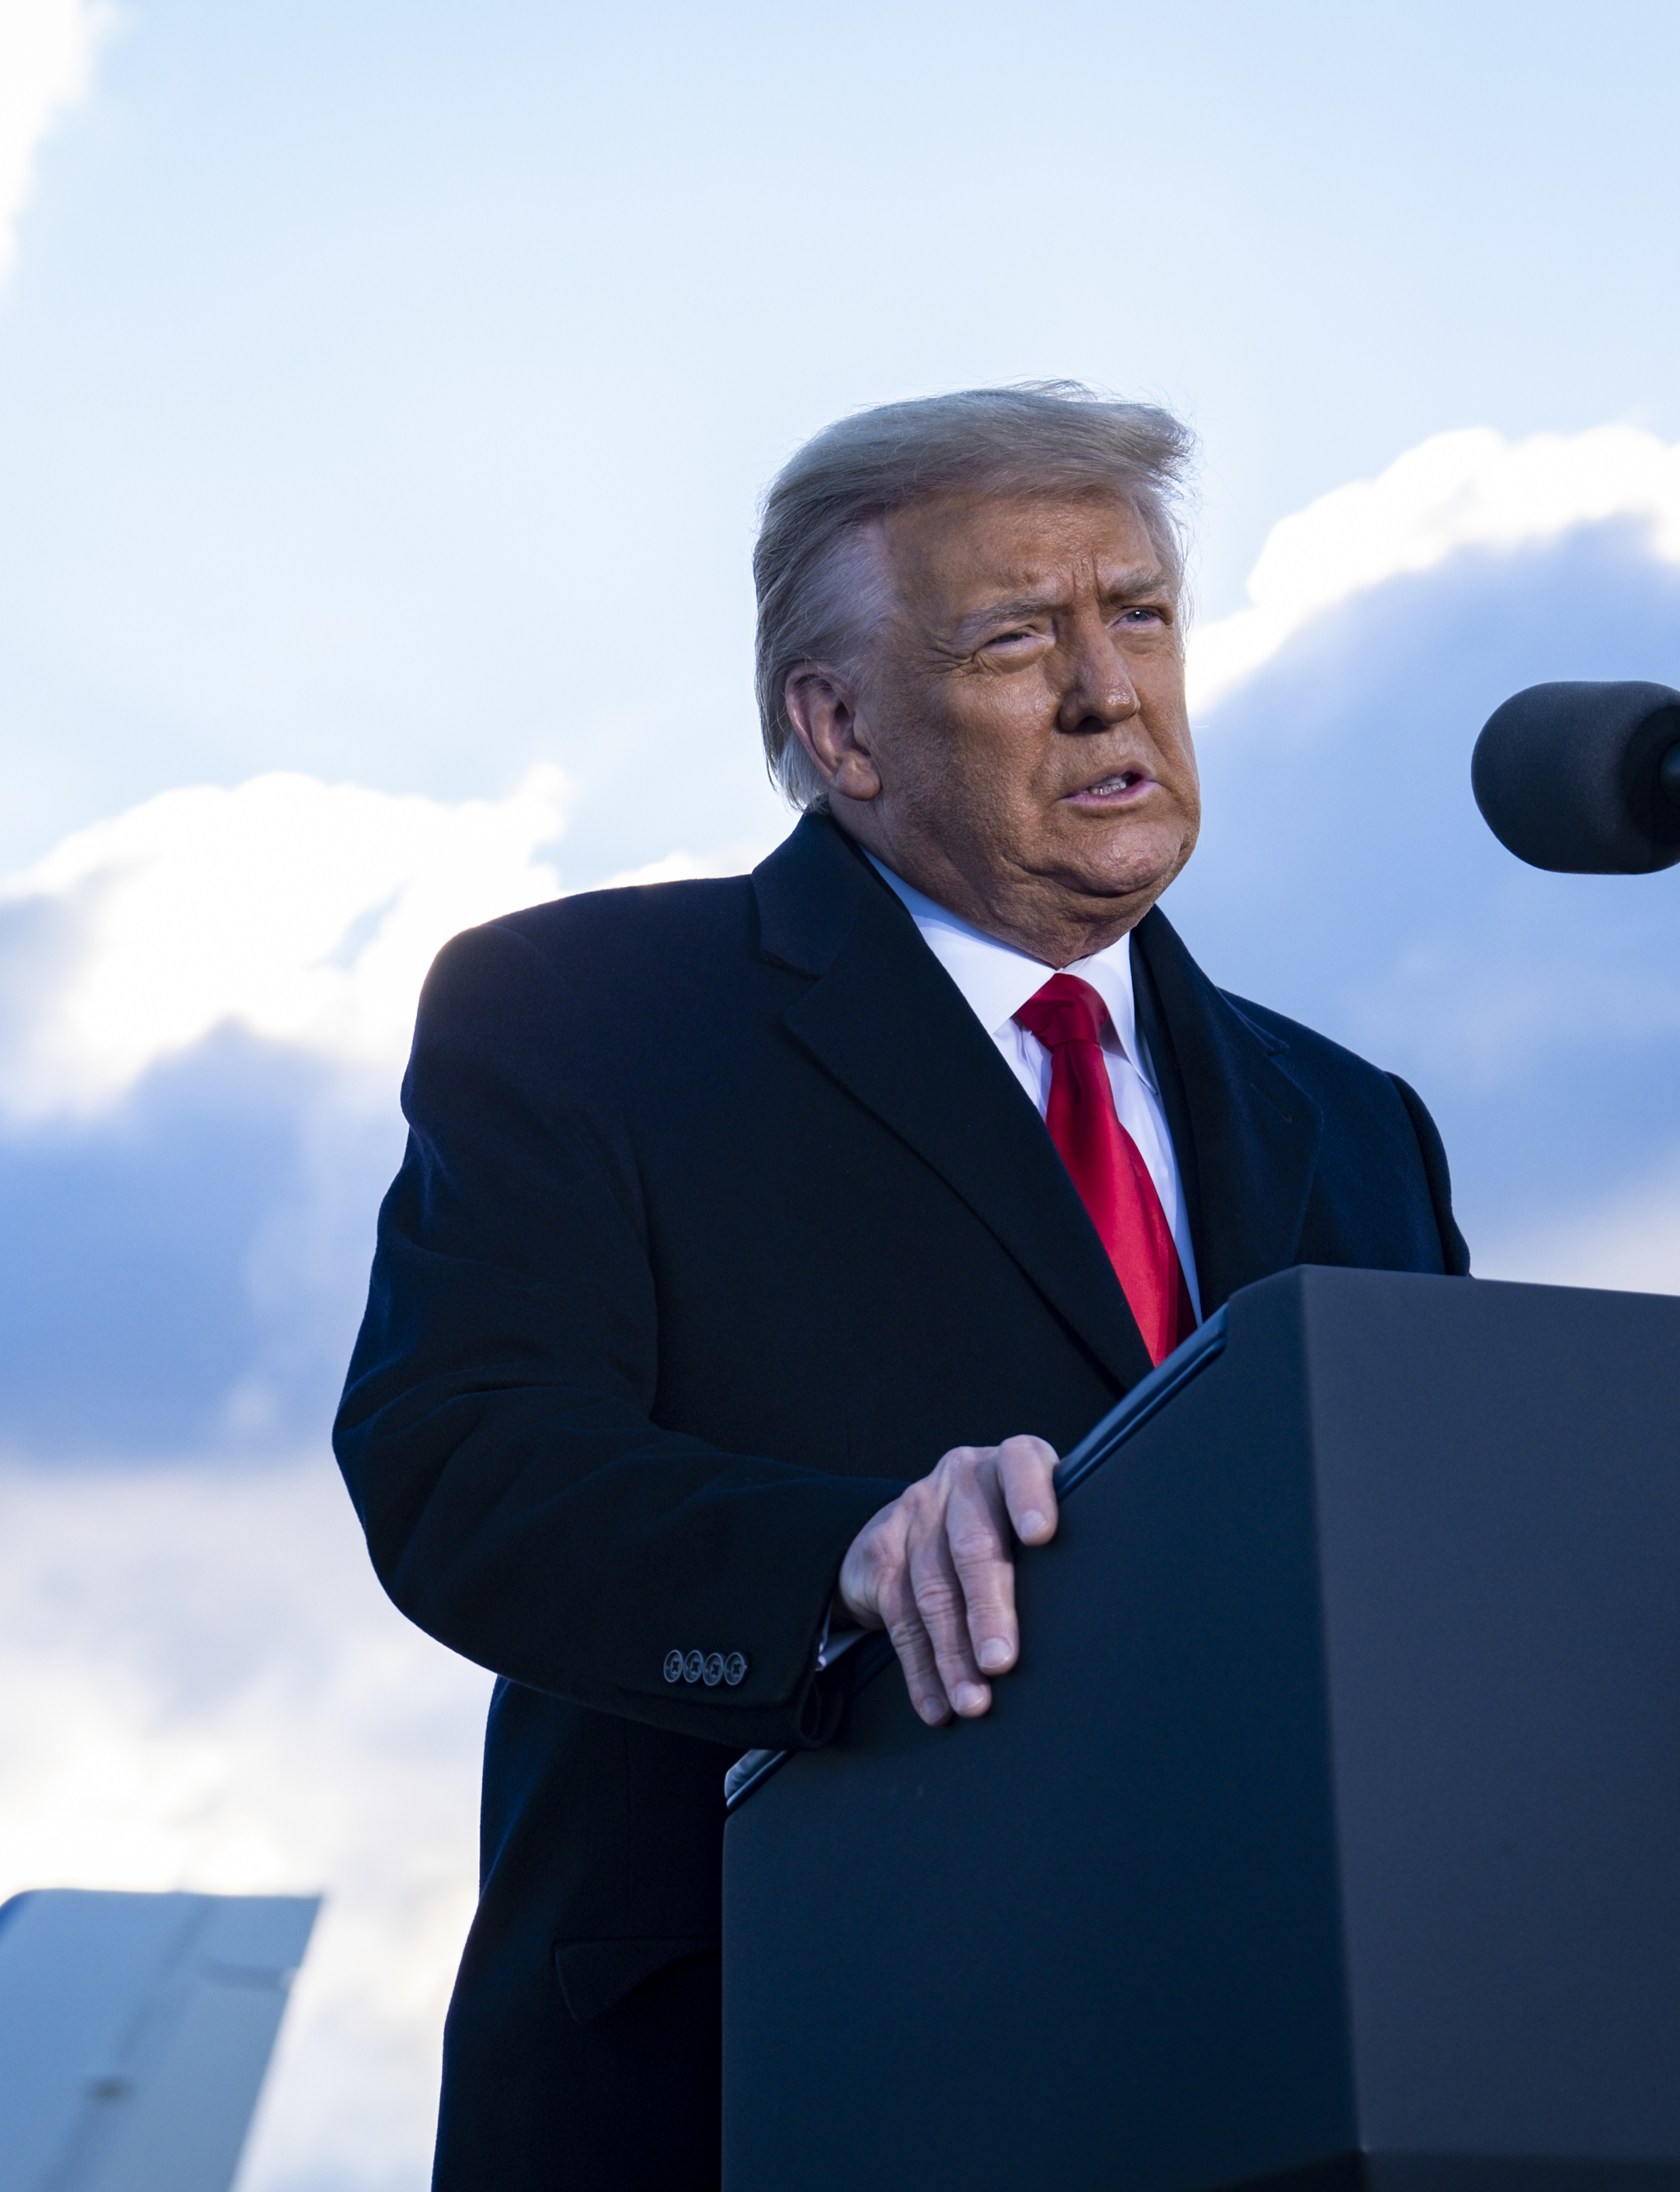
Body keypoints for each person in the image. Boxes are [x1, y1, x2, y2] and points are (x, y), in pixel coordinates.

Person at [334, 384, 1468, 2188]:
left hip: (1274, 2085)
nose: (1109, 691)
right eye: (1019, 638)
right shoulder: (585, 1017)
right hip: (758, 2076)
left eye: (1142, 616)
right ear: (840, 725)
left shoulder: (1356, 1122)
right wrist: (843, 1559)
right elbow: (461, 1459)